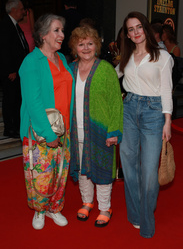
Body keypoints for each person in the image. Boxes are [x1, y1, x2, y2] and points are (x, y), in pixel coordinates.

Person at [116, 12, 173, 238]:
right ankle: (136, 215)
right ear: (127, 35)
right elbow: (113, 76)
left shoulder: (162, 56)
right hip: (128, 109)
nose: (135, 32)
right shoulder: (126, 56)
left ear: (145, 28)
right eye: (131, 29)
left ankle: (147, 221)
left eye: (139, 27)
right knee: (129, 168)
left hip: (153, 113)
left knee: (149, 172)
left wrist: (167, 121)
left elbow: (167, 90)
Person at [19, 14, 75, 230]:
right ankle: (40, 211)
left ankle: (54, 208)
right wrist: (49, 134)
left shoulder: (61, 59)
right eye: (57, 30)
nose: (62, 35)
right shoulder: (31, 62)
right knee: (41, 174)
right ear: (43, 35)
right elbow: (33, 103)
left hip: (65, 129)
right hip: (41, 133)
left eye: (62, 30)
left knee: (60, 173)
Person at [68, 26, 123, 227]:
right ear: (74, 46)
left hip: (101, 130)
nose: (85, 48)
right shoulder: (70, 69)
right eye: (81, 44)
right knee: (82, 169)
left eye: (90, 43)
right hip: (76, 131)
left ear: (96, 45)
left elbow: (116, 102)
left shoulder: (106, 70)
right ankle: (87, 202)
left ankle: (104, 208)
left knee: (102, 170)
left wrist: (114, 131)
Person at [0, 0, 29, 138]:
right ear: (14, 10)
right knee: (10, 99)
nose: (24, 11)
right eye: (22, 9)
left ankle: (17, 126)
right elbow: (4, 49)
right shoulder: (5, 25)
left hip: (18, 70)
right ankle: (9, 128)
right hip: (11, 72)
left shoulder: (14, 25)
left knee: (17, 99)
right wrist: (10, 70)